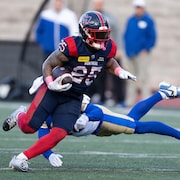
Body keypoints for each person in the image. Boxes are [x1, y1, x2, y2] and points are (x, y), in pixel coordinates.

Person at [2, 11, 136, 172]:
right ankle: (19, 116)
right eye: (97, 34)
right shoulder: (72, 46)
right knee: (28, 127)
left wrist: (119, 71)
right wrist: (51, 84)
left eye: (104, 34)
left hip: (74, 96)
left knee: (60, 132)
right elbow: (48, 64)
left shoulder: (107, 48)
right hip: (54, 91)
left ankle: (20, 159)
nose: (102, 39)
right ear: (85, 32)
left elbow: (108, 61)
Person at [37, 81, 180, 167]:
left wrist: (86, 118)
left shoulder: (71, 100)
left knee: (136, 126)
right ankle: (163, 93)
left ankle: (177, 132)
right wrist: (49, 155)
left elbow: (97, 112)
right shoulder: (45, 113)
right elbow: (42, 138)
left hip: (102, 119)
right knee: (131, 120)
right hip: (96, 131)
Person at [87, 0, 126, 107]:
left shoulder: (110, 17)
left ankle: (120, 99)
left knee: (117, 74)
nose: (98, 4)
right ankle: (101, 97)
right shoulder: (88, 17)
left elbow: (117, 32)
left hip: (110, 51)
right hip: (96, 52)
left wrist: (120, 49)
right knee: (99, 76)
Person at [123, 0, 157, 106]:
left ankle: (146, 102)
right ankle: (129, 101)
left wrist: (145, 48)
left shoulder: (148, 20)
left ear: (143, 8)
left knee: (143, 77)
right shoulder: (131, 20)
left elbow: (152, 37)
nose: (138, 9)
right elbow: (126, 35)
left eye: (139, 7)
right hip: (130, 53)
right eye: (136, 7)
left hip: (142, 54)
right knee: (130, 78)